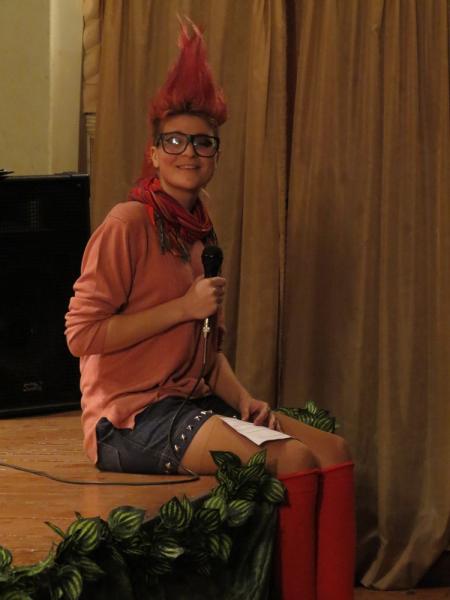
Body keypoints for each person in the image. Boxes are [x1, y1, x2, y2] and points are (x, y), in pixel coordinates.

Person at [65, 20, 355, 600]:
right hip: (129, 421)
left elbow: (206, 344)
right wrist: (182, 306)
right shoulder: (127, 224)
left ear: (216, 155)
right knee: (296, 461)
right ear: (153, 153)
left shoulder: (200, 228)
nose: (189, 153)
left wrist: (242, 397)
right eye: (174, 141)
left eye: (203, 142)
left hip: (190, 401)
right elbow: (81, 336)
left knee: (333, 452)